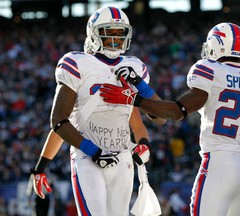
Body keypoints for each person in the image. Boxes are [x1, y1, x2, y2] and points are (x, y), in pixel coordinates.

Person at [99, 22, 240, 215]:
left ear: (216, 45)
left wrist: (134, 98)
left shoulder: (212, 71)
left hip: (220, 163)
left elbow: (176, 112)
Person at [30, 6, 166, 216]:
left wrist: (144, 144)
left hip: (122, 157)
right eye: (108, 33)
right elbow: (60, 123)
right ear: (94, 34)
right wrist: (41, 167)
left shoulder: (134, 68)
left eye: (119, 34)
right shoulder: (78, 63)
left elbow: (151, 120)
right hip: (87, 156)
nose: (114, 40)